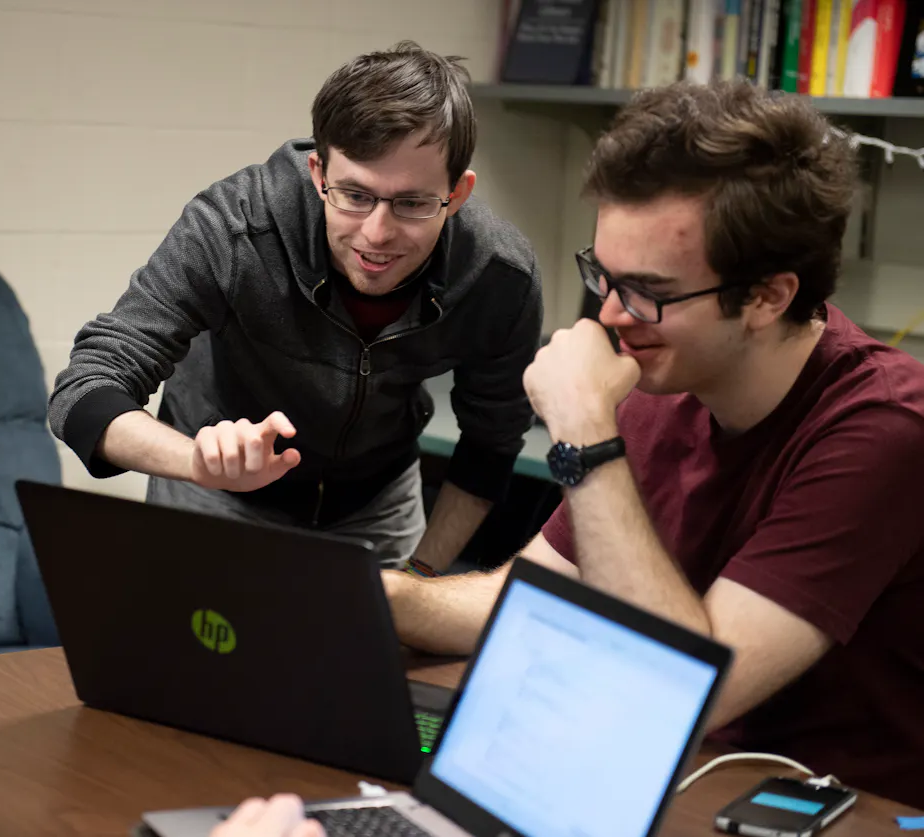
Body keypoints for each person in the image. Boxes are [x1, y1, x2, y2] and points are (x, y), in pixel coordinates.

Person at [385, 79, 924, 808]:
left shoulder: (885, 429)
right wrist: (375, 598)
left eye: (647, 290)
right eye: (602, 274)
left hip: (825, 809)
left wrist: (584, 434)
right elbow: (538, 596)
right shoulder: (664, 375)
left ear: (768, 296)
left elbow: (683, 691)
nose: (610, 313)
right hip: (665, 779)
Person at [48, 42, 542, 570]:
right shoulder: (236, 229)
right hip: (215, 498)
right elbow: (85, 390)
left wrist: (421, 576)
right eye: (354, 195)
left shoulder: (498, 275)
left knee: (376, 653)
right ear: (318, 174)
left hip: (377, 505)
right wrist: (199, 461)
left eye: (413, 203)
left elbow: (491, 446)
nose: (377, 234)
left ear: (458, 193)